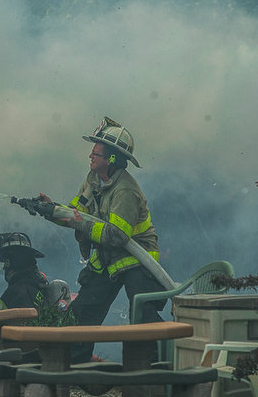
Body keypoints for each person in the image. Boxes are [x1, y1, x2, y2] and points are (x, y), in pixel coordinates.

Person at [40, 116, 166, 363]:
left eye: (96, 153)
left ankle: (154, 368)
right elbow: (75, 214)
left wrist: (80, 224)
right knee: (82, 312)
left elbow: (117, 236)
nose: (90, 156)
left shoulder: (126, 191)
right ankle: (75, 367)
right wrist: (50, 210)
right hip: (107, 260)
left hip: (137, 261)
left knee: (142, 315)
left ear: (111, 159)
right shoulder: (92, 180)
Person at [0, 232, 50, 311]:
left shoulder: (16, 292)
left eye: (6, 262)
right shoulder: (41, 287)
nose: (4, 268)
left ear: (14, 263)